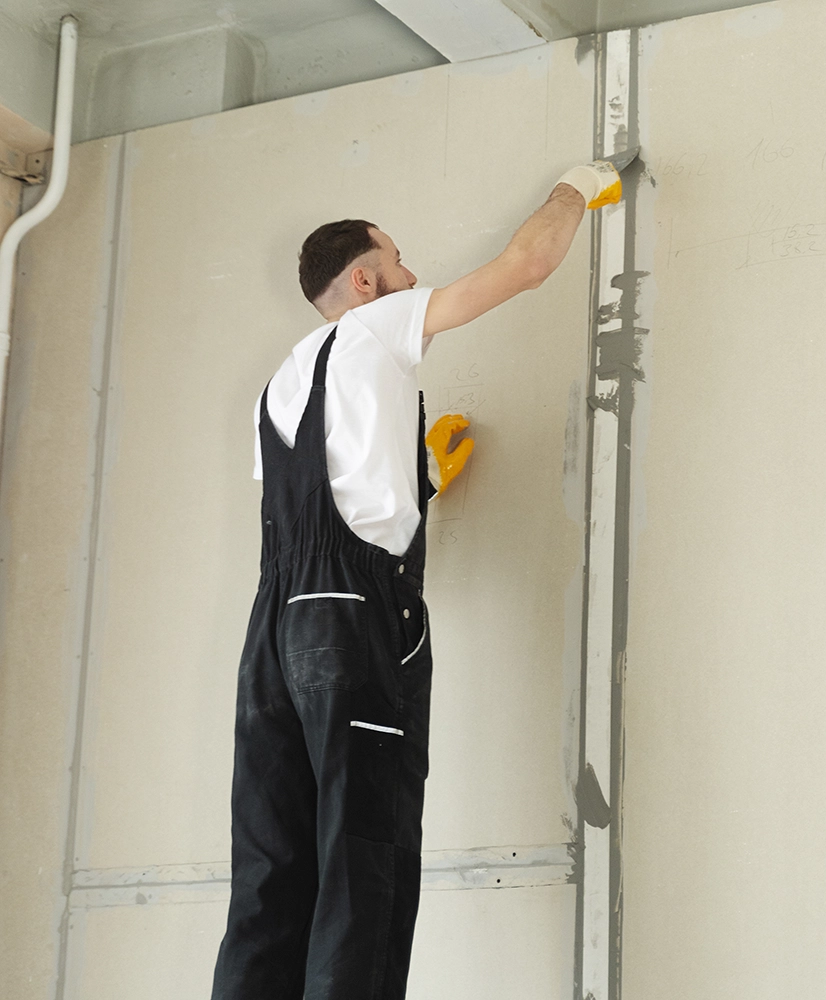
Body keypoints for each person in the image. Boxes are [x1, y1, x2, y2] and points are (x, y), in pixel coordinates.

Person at [211, 156, 628, 1000]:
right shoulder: (377, 326)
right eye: (400, 262)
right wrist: (574, 190)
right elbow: (526, 267)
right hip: (352, 623)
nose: (414, 277)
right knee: (363, 860)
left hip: (273, 634)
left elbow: (330, 504)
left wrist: (423, 479)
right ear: (366, 281)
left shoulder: (283, 380)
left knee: (272, 872)